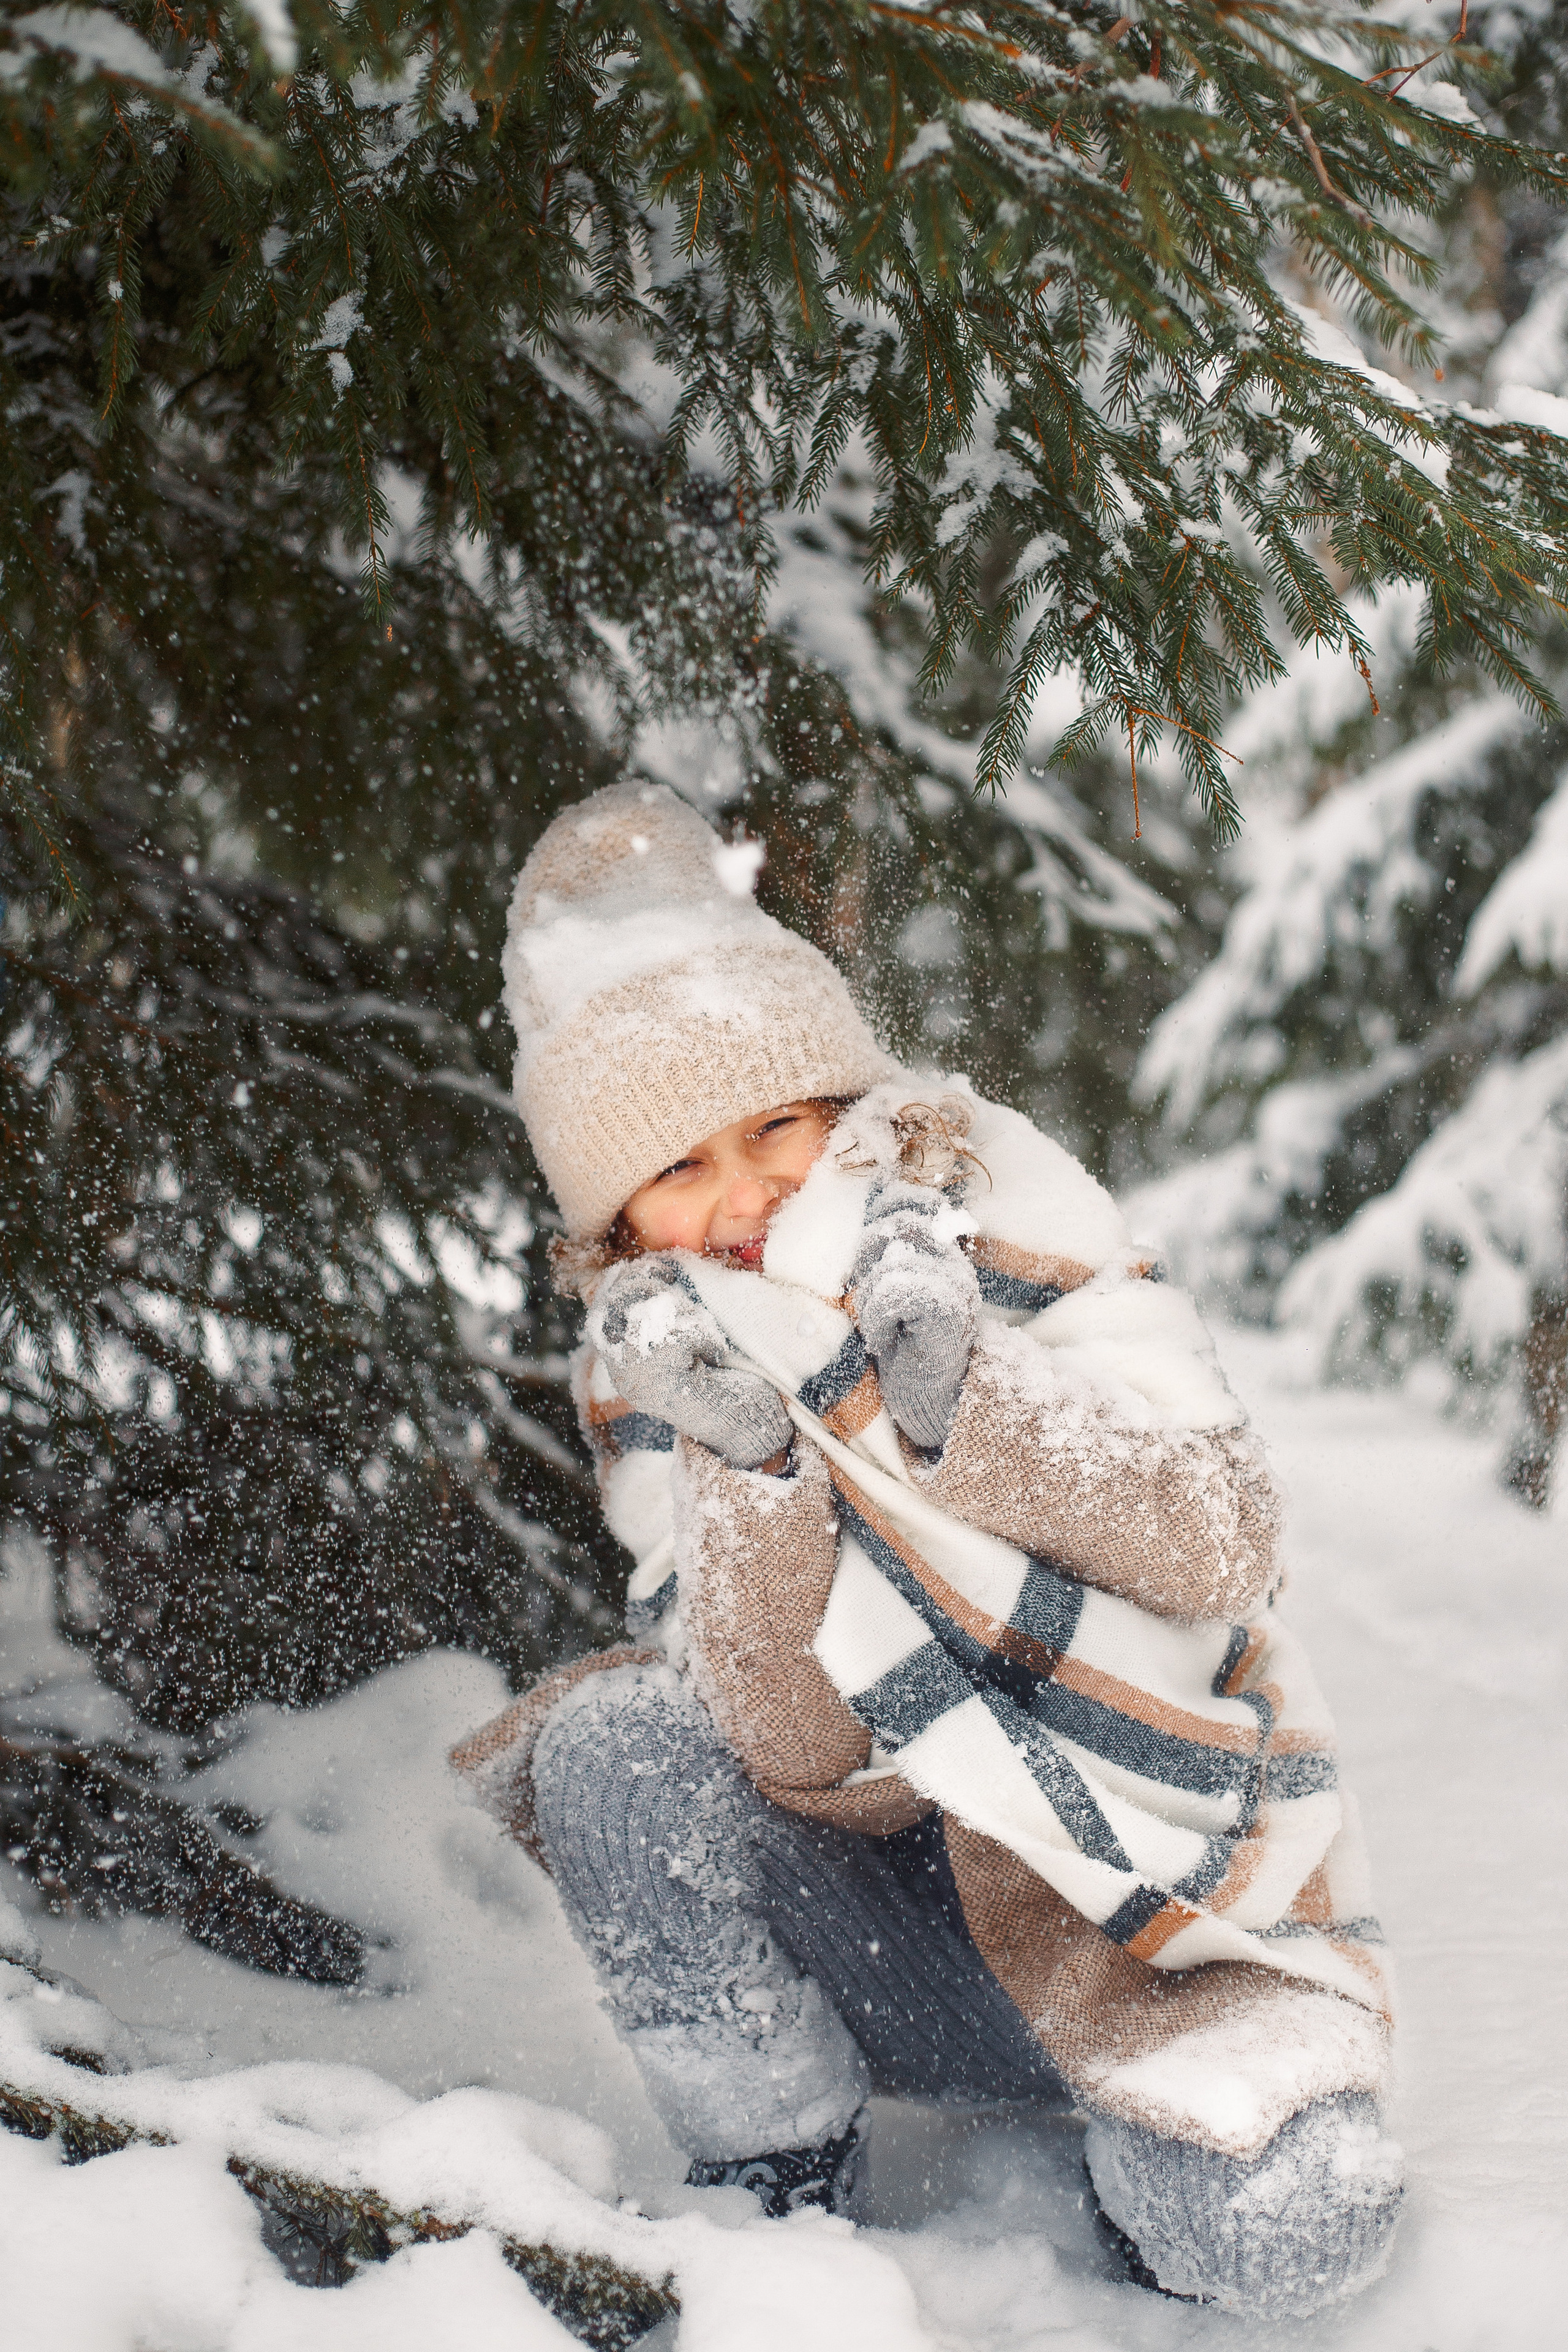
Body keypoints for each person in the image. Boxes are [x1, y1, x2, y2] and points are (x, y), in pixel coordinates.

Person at [452, 782, 1404, 2316]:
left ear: (851, 1105)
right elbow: (798, 1755)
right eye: (676, 1168)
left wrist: (966, 1399)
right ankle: (771, 2235)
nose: (747, 1196)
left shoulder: (1003, 1227)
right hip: (915, 1940)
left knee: (1283, 2239)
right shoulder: (663, 1367)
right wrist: (761, 1467)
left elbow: (1220, 1544)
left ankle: (1143, 2168)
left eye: (776, 1124)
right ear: (617, 1227)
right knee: (614, 1746)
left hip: (1140, 1906)